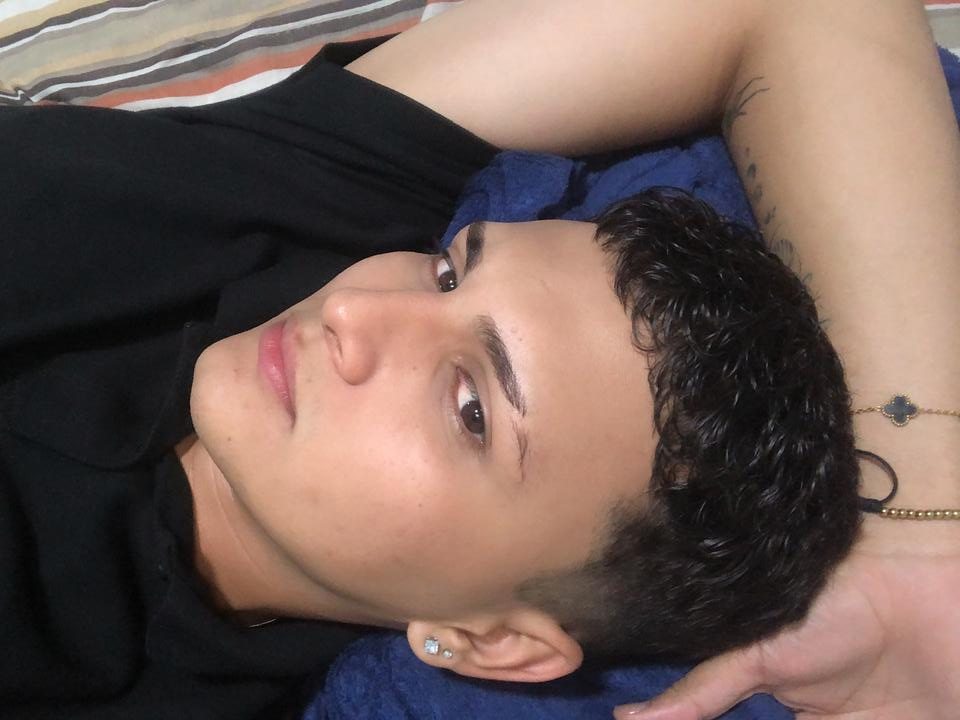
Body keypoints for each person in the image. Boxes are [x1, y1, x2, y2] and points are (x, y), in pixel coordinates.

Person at [1, 3, 956, 720]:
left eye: (470, 409)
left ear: (494, 643)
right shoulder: (294, 205)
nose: (354, 311)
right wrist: (922, 524)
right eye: (450, 270)